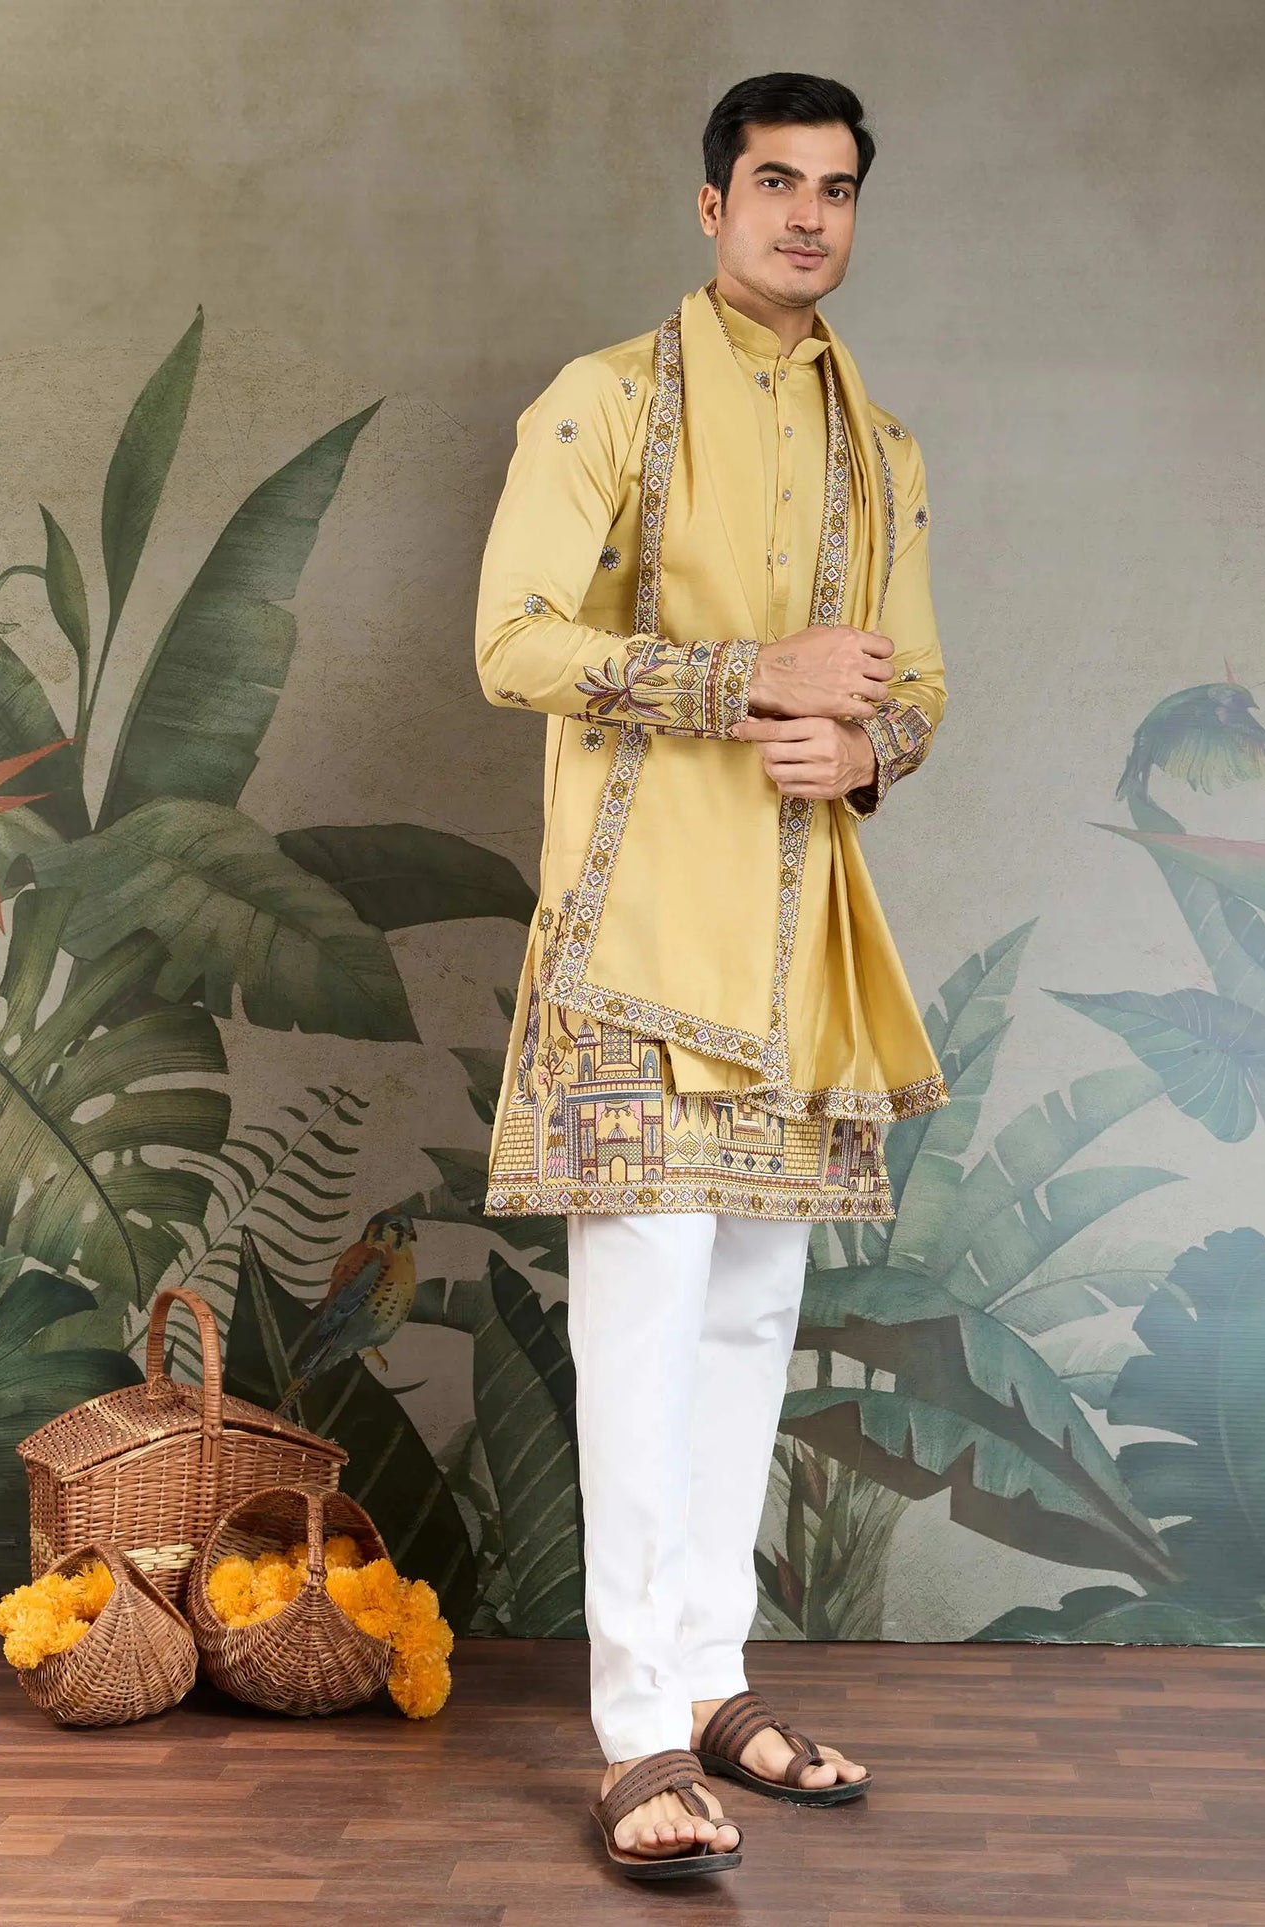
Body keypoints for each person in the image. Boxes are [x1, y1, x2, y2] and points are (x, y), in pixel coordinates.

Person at [473, 70, 948, 1879]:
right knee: (641, 1336)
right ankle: (632, 1735)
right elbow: (512, 641)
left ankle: (713, 1681)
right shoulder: (604, 401)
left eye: (835, 188)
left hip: (799, 956)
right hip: (640, 951)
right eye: (773, 183)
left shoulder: (880, 445)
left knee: (748, 1328)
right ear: (710, 205)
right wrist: (743, 680)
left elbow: (913, 684)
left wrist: (865, 750)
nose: (806, 215)